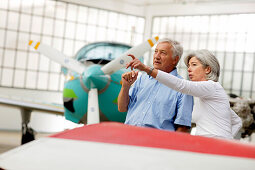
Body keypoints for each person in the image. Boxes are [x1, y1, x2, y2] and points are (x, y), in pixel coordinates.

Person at [126, 49, 242, 139]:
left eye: (194, 65)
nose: (189, 69)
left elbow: (181, 85)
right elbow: (237, 121)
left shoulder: (212, 87)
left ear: (207, 69)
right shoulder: (202, 96)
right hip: (205, 145)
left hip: (215, 147)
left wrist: (147, 69)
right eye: (188, 66)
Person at [118, 38, 193, 132]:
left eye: (163, 53)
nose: (157, 56)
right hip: (130, 136)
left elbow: (182, 128)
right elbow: (122, 108)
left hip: (156, 142)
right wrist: (125, 87)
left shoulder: (183, 88)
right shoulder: (142, 79)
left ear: (175, 59)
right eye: (156, 51)